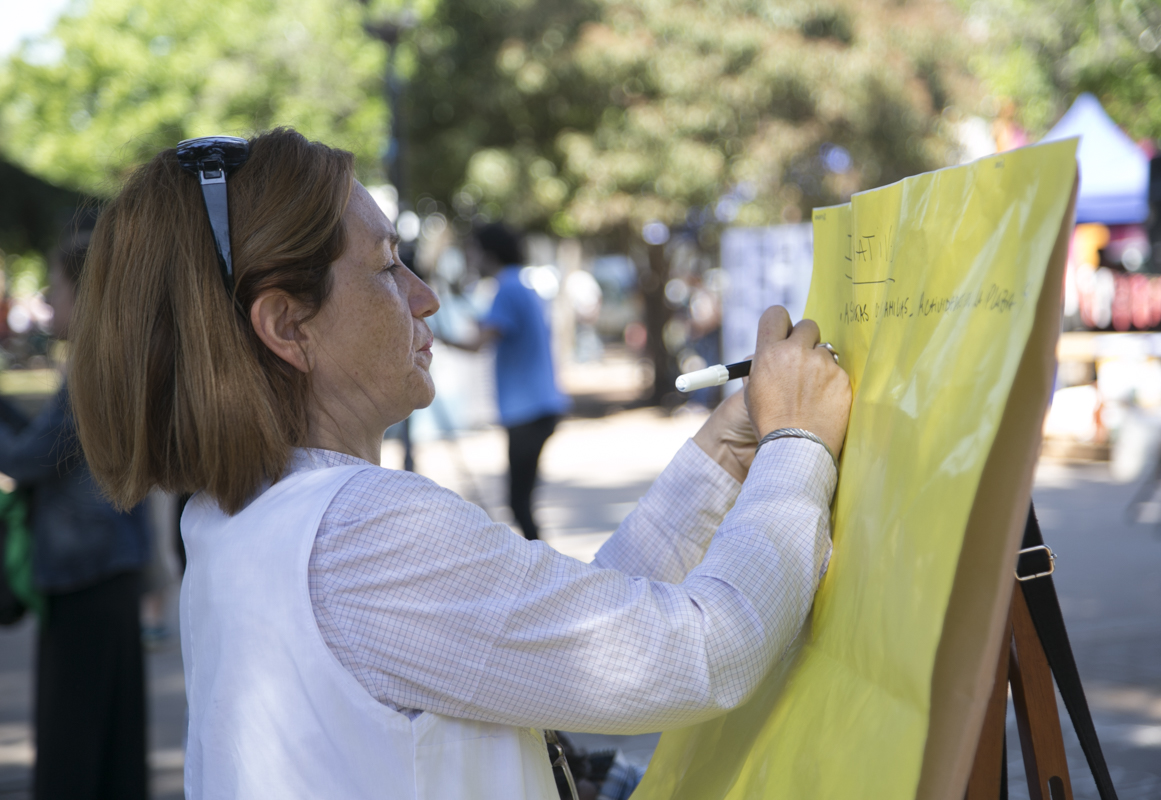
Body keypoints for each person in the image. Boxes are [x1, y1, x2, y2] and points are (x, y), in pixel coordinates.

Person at [68, 129, 851, 800]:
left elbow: (561, 645)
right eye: (387, 267)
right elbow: (702, 653)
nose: (424, 297)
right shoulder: (359, 533)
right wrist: (798, 445)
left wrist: (725, 455)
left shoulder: (239, 518)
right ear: (287, 326)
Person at [0, 237, 149, 800]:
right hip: (109, 570)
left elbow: (27, 459)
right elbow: (46, 444)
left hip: (84, 575)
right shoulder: (111, 362)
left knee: (72, 752)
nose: (48, 299)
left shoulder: (91, 369)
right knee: (115, 747)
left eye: (57, 287)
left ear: (86, 294)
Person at [448, 223, 569, 540]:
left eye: (473, 250)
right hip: (538, 405)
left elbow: (478, 344)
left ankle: (545, 567)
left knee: (518, 503)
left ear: (488, 252)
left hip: (527, 410)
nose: (469, 257)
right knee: (521, 501)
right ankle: (544, 563)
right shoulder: (519, 284)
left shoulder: (507, 288)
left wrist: (432, 335)